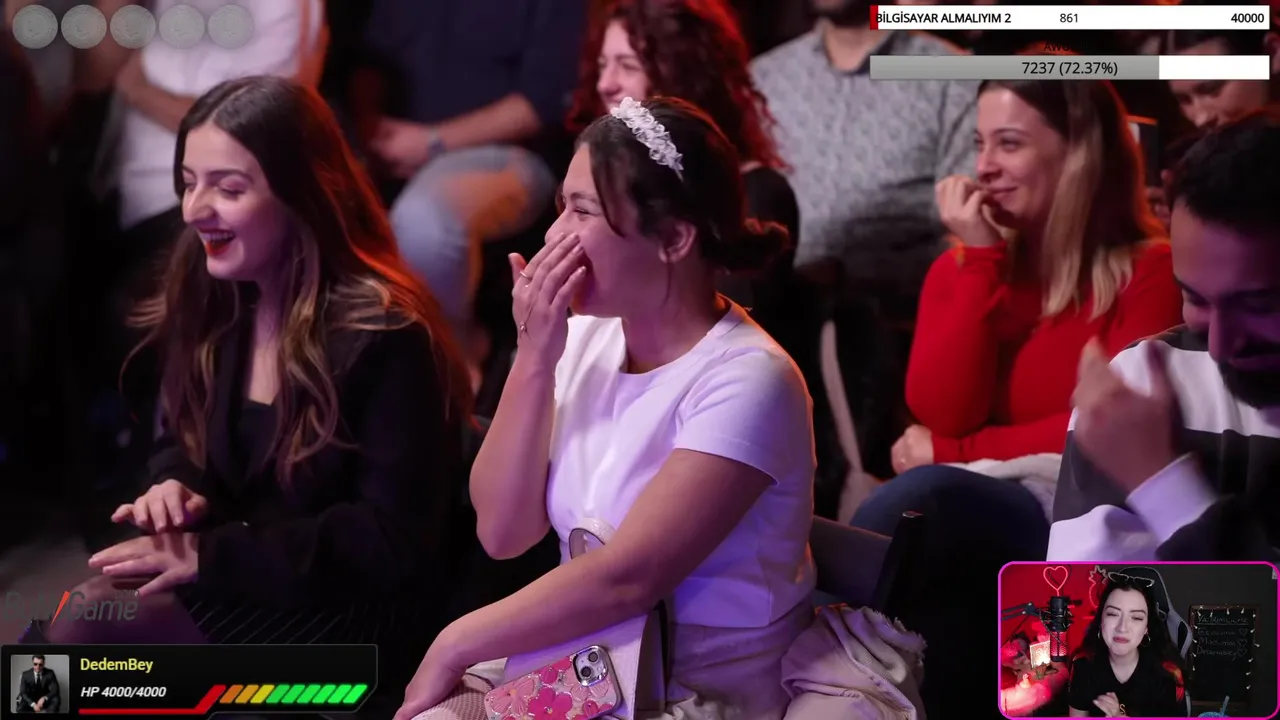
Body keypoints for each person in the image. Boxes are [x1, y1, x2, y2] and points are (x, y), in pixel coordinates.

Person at [40, 77, 473, 694]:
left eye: (228, 188)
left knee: (83, 647)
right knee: (74, 641)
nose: (194, 209)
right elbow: (181, 440)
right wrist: (176, 486)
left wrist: (210, 557)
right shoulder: (213, 289)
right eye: (188, 182)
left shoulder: (386, 334)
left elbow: (390, 544)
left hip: (354, 636)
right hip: (248, 577)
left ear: (303, 196)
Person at [395, 97, 815, 720]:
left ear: (673, 238)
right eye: (561, 205)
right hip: (588, 665)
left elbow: (627, 579)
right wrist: (535, 356)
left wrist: (455, 641)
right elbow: (503, 534)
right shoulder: (585, 339)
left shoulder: (751, 379)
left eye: (583, 210)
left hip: (696, 686)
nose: (553, 235)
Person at [849, 79, 1183, 718]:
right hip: (985, 514)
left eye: (1009, 144)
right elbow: (943, 410)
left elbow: (1113, 425)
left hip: (1086, 506)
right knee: (940, 613)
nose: (984, 167)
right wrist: (980, 261)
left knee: (924, 502)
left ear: (1078, 153)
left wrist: (951, 451)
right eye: (979, 144)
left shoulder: (1150, 271)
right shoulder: (962, 269)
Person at [751, 0, 979, 478]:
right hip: (777, 333)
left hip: (900, 336)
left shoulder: (951, 75)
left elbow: (970, 223)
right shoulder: (767, 77)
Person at [1050, 109, 1280, 563]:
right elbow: (1083, 606)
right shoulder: (1142, 392)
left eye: (1257, 305)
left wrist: (1164, 487)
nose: (1219, 346)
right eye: (1195, 298)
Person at [356, 0, 587, 365]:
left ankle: (455, 362)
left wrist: (431, 142)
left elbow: (543, 103)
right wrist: (367, 127)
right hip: (392, 145)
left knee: (424, 225)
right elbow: (371, 62)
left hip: (510, 154)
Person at [572, 0, 798, 328]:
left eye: (628, 66)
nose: (605, 83)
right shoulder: (600, 187)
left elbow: (712, 328)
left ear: (683, 77)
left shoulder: (758, 192)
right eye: (603, 64)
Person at [1067, 576, 1187, 717]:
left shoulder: (1167, 675)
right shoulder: (1083, 666)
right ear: (1101, 620)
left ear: (1146, 628)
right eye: (1113, 614)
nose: (1122, 628)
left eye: (1136, 617)